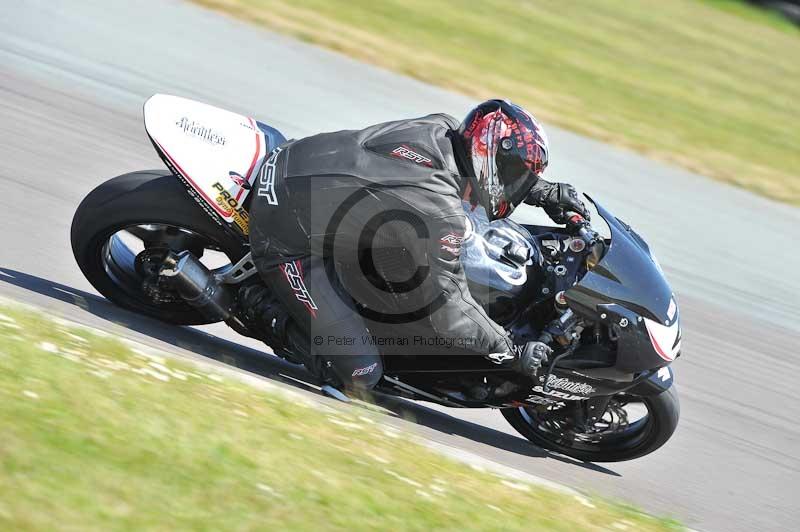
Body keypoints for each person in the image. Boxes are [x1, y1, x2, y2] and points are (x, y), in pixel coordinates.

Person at [246, 99, 589, 392]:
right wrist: (509, 349)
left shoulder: (442, 129)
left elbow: (491, 169)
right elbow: (448, 308)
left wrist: (541, 191)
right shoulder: (437, 207)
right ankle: (255, 302)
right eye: (517, 173)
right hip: (286, 232)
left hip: (297, 161)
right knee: (360, 374)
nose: (519, 181)